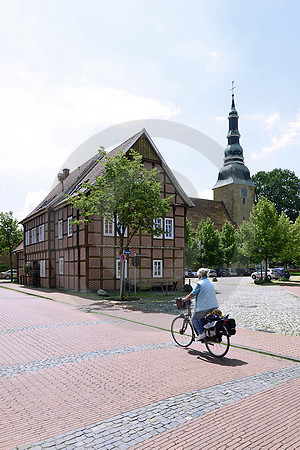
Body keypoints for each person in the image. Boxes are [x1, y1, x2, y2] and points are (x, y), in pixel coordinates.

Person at [183, 268, 219, 341]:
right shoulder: (210, 282)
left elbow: (193, 294)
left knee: (194, 319)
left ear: (200, 275)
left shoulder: (200, 283)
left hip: (204, 307)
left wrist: (185, 299)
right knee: (202, 318)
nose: (197, 276)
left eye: (198, 275)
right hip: (213, 305)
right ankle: (206, 333)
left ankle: (201, 334)